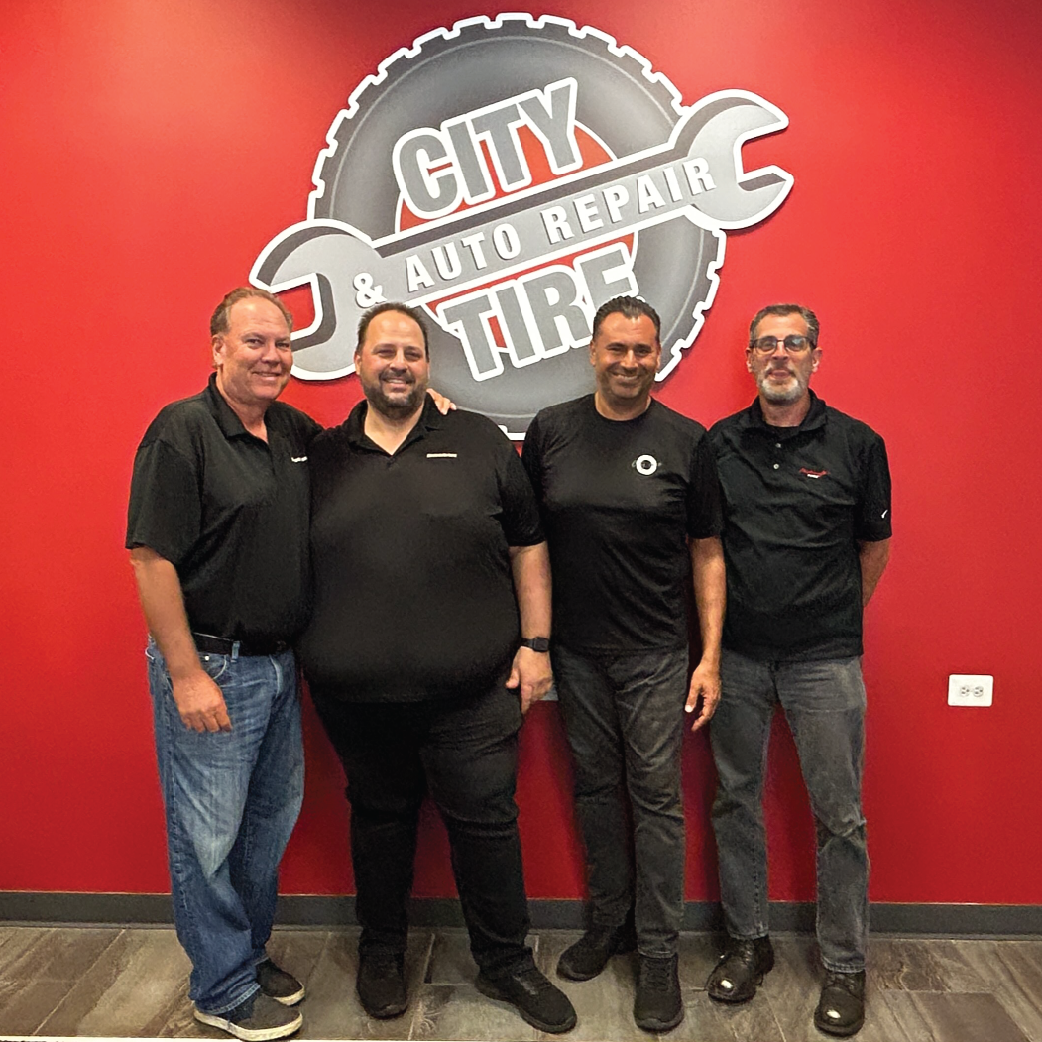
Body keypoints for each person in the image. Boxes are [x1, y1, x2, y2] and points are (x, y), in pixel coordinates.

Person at [296, 302, 577, 1034]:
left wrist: (538, 645)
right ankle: (382, 950)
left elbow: (529, 545)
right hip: (357, 699)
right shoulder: (317, 455)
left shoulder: (479, 439)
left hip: (474, 693)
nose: (399, 363)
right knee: (380, 824)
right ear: (357, 362)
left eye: (413, 353)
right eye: (384, 350)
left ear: (429, 366)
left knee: (488, 827)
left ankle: (507, 961)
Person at [521, 295, 725, 1033]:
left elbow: (708, 553)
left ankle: (660, 954)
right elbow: (528, 543)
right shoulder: (551, 431)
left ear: (658, 354)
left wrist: (709, 658)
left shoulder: (685, 440)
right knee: (597, 792)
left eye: (643, 350)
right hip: (576, 653)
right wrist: (537, 644)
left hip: (656, 654)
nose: (630, 362)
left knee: (657, 799)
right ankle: (610, 924)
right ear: (593, 351)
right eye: (617, 349)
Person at [126, 287, 317, 1041]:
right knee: (206, 838)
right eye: (255, 342)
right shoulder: (181, 433)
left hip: (278, 668)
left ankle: (245, 951)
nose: (272, 356)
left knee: (264, 829)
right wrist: (186, 674)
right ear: (217, 348)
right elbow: (149, 559)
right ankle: (221, 986)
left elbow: (360, 448)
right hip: (213, 665)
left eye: (282, 343)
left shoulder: (291, 431)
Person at [706, 304, 891, 1038]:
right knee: (734, 802)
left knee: (840, 817)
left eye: (795, 344)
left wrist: (832, 613)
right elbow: (708, 549)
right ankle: (748, 944)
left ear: (817, 356)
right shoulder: (719, 444)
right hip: (740, 659)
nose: (780, 355)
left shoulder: (857, 443)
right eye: (768, 345)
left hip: (825, 662)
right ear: (750, 358)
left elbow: (873, 548)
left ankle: (845, 963)